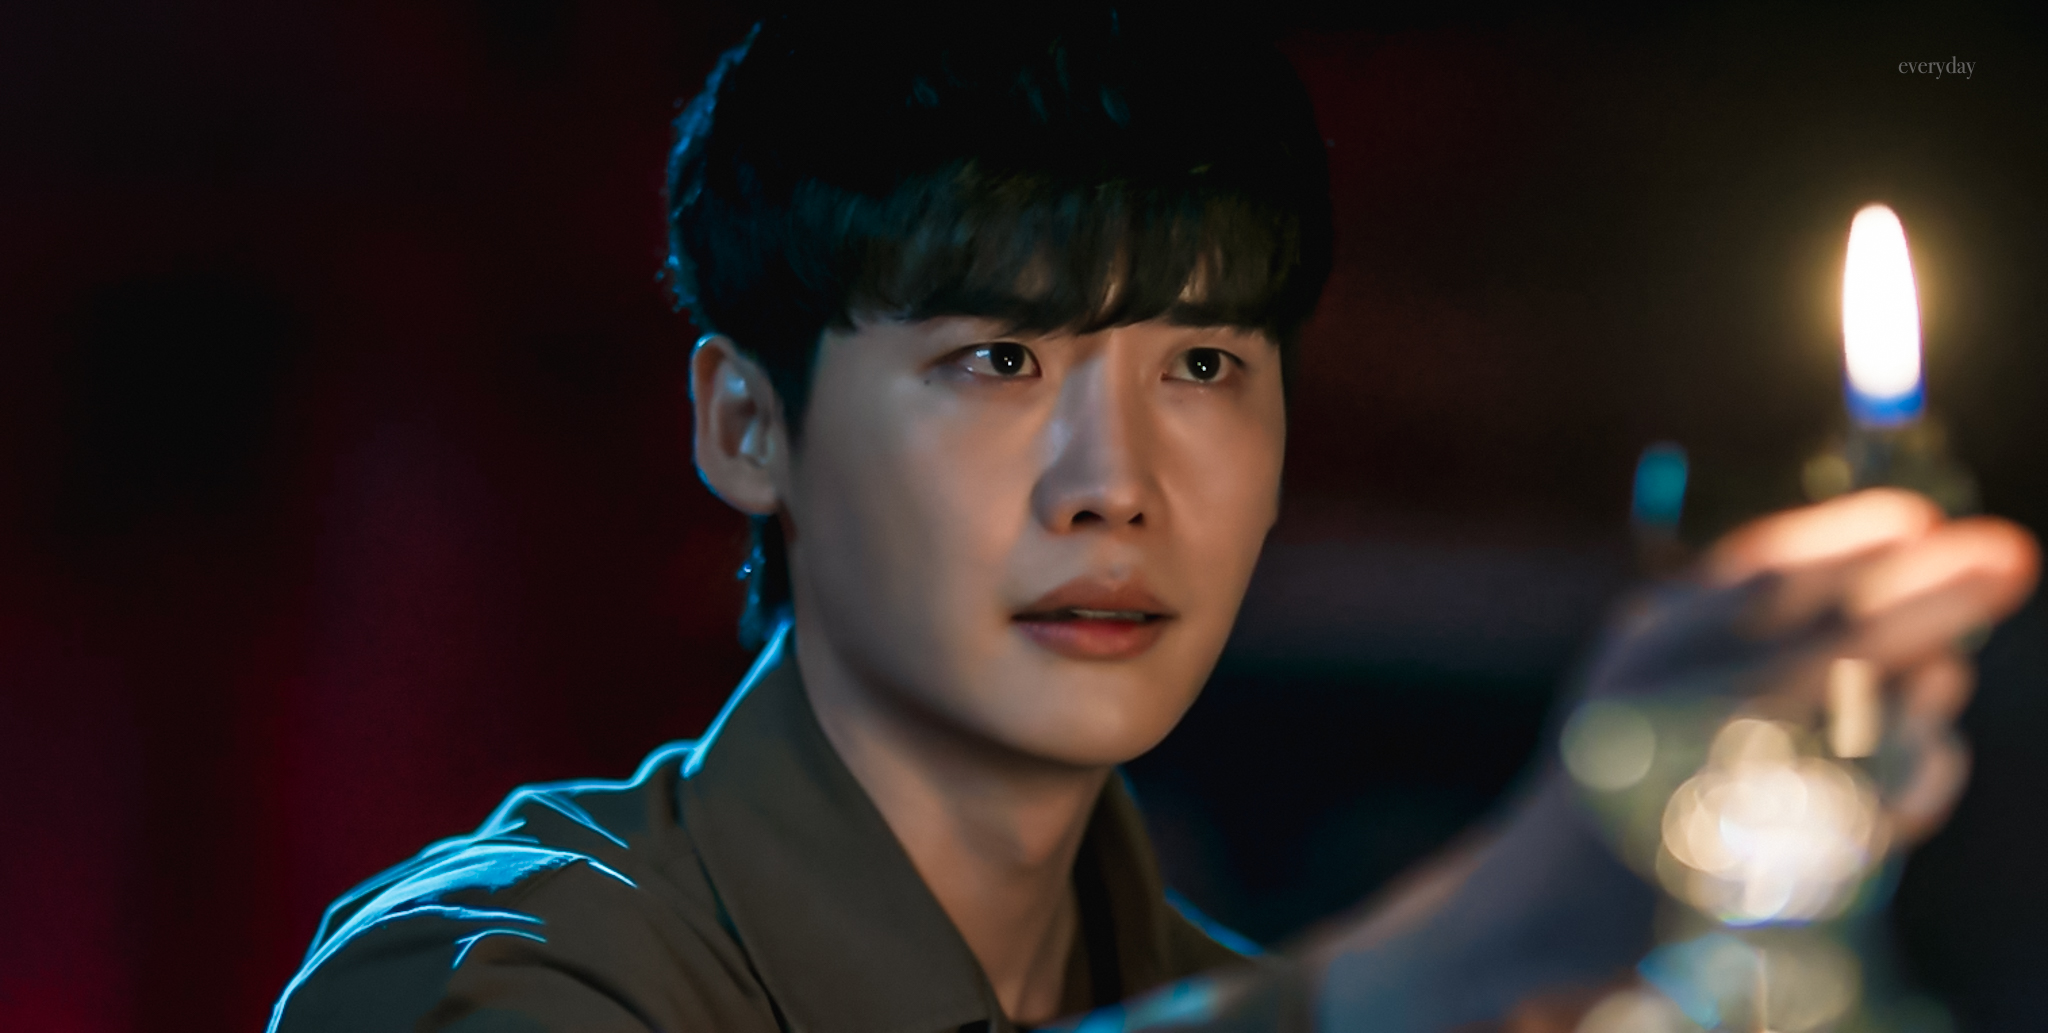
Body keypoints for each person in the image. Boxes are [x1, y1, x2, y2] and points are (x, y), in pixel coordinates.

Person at [267, 8, 2039, 1032]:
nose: (1112, 480)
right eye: (996, 358)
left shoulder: (1227, 987)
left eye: (1203, 362)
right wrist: (1474, 939)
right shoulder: (483, 976)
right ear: (749, 424)